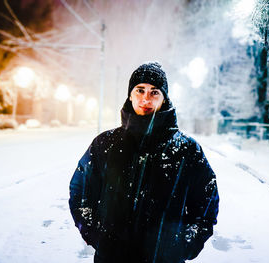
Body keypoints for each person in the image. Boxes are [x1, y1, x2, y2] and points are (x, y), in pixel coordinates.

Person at [69, 62, 219, 263]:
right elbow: (81, 193)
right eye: (140, 90)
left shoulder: (187, 150)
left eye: (154, 92)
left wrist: (183, 245)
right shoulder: (105, 144)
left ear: (164, 98)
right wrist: (97, 235)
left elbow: (206, 203)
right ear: (130, 95)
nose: (146, 98)